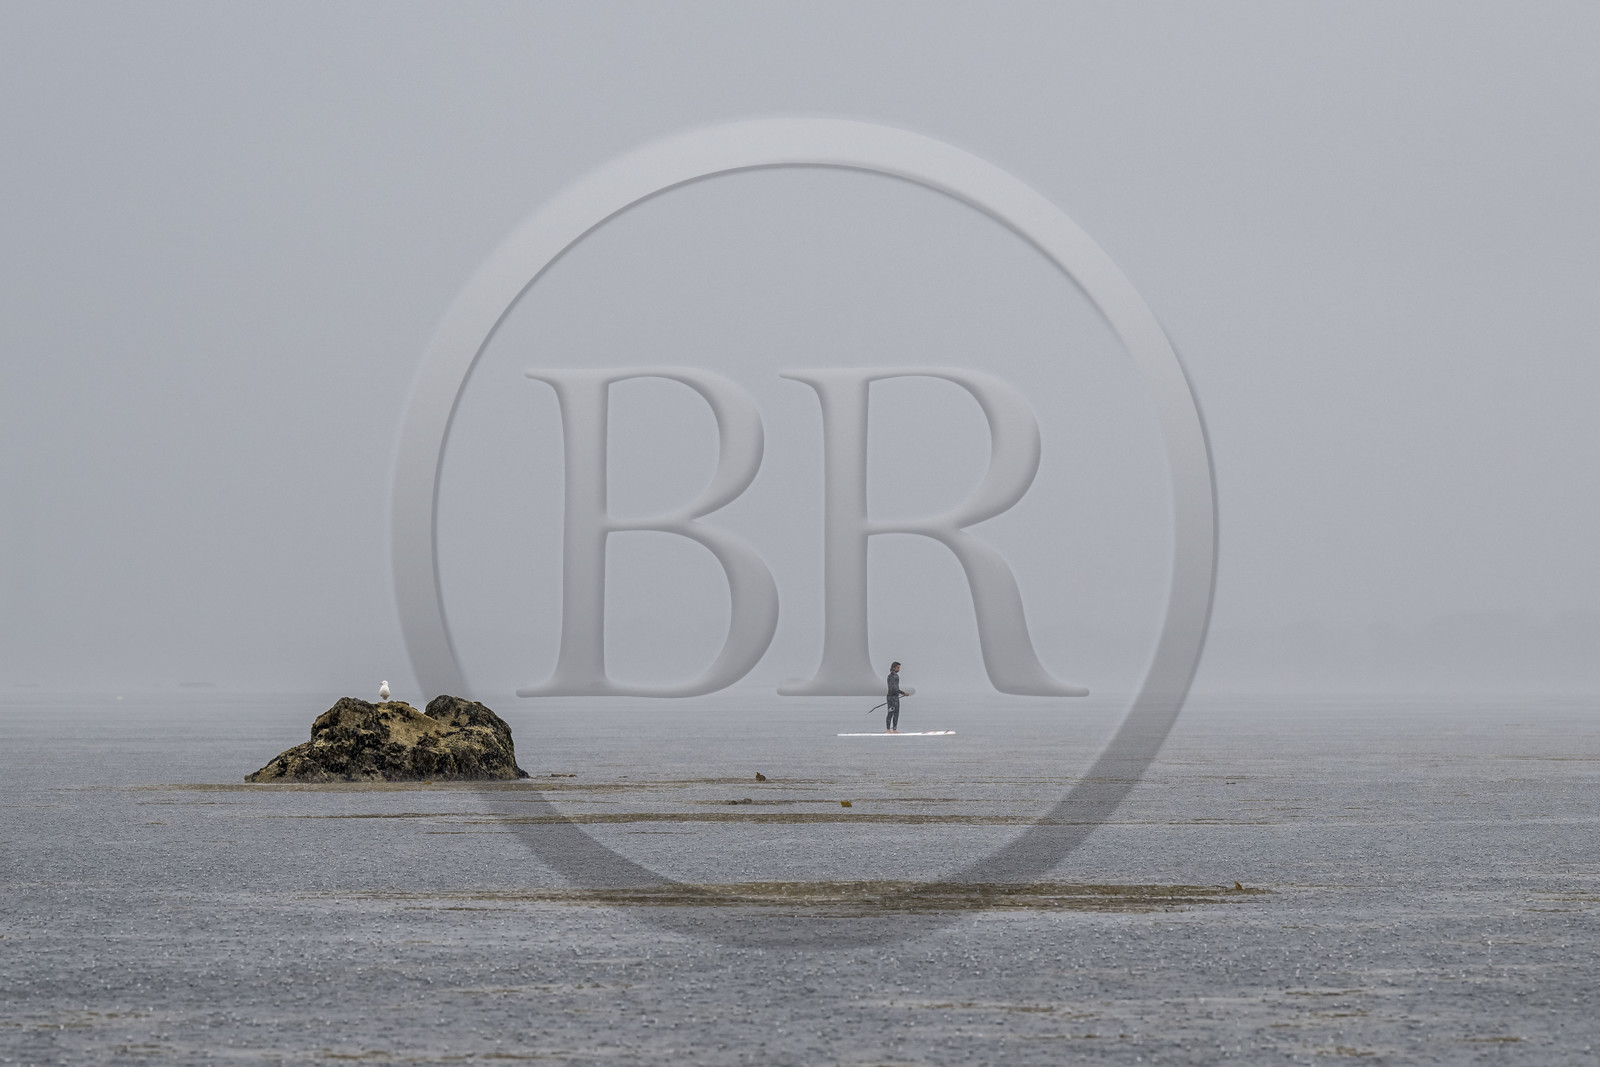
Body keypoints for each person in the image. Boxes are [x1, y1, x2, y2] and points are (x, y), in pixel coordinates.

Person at [886, 661, 907, 733]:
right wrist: (903, 693)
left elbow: (896, 688)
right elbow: (894, 688)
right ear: (894, 667)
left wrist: (901, 693)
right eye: (898, 667)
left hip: (896, 697)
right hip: (891, 697)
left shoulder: (896, 676)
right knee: (890, 713)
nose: (899, 669)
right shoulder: (891, 676)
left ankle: (894, 729)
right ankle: (888, 729)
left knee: (896, 713)